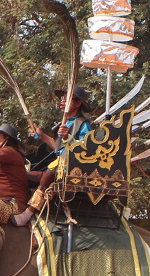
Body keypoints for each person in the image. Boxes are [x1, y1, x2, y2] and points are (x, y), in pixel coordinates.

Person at [14, 87, 96, 225]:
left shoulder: (84, 124)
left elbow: (87, 152)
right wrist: (43, 136)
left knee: (47, 176)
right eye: (62, 98)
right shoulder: (65, 123)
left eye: (67, 98)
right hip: (57, 166)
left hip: (72, 170)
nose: (62, 101)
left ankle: (28, 214)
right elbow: (60, 149)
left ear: (78, 103)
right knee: (23, 174)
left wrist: (68, 137)